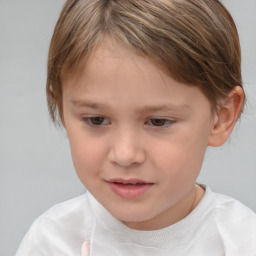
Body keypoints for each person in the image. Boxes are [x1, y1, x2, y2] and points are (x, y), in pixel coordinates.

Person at [15, 0, 256, 255]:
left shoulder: (244, 242)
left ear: (221, 117)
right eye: (96, 120)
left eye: (158, 122)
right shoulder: (51, 242)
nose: (125, 154)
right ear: (62, 109)